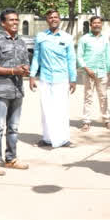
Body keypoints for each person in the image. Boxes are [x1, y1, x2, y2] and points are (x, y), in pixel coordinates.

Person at [0, 8, 30, 176]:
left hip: (18, 91)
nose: (15, 23)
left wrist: (25, 69)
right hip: (1, 91)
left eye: (16, 20)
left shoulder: (22, 42)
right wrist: (13, 71)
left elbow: (25, 63)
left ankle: (11, 159)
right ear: (3, 23)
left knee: (14, 127)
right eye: (11, 20)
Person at [29, 9, 76, 148]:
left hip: (61, 79)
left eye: (56, 17)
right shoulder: (41, 36)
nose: (53, 19)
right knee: (46, 108)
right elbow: (36, 57)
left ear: (59, 19)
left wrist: (73, 79)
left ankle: (64, 139)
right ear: (47, 20)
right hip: (45, 78)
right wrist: (32, 76)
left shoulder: (67, 37)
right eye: (50, 17)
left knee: (61, 109)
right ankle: (47, 138)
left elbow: (71, 59)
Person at [77, 16, 110, 131]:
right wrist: (86, 69)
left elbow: (108, 56)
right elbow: (79, 56)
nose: (97, 25)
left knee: (103, 96)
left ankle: (107, 120)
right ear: (90, 24)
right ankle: (86, 121)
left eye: (99, 23)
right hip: (89, 72)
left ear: (101, 25)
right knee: (88, 97)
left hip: (102, 72)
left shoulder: (105, 39)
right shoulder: (84, 39)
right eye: (95, 23)